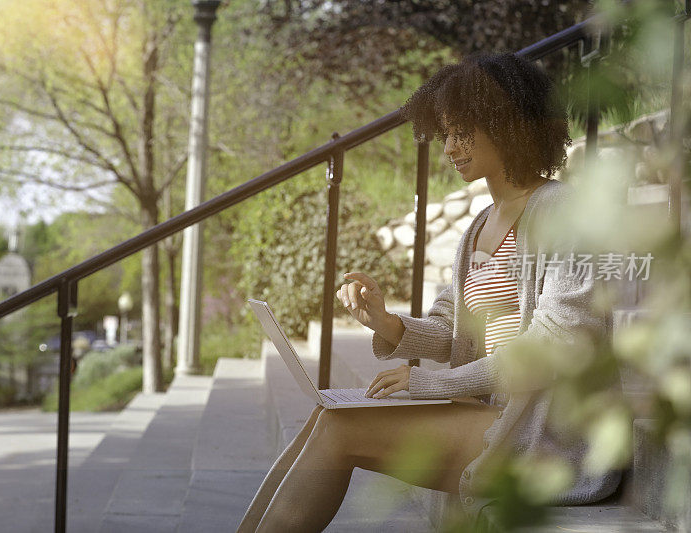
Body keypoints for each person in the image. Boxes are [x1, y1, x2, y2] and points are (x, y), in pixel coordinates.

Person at [236, 52, 621, 532]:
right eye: (446, 135)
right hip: (494, 417)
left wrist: (436, 384)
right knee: (326, 415)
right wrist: (385, 321)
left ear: (506, 127)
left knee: (338, 428)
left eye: (462, 134)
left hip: (549, 439)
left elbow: (560, 344)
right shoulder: (479, 225)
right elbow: (449, 329)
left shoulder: (563, 212)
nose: (449, 150)